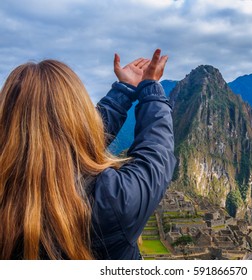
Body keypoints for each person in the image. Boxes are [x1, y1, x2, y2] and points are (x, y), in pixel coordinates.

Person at [0, 49, 176, 259]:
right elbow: (156, 154)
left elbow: (81, 138)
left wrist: (124, 90)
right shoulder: (112, 200)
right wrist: (151, 91)